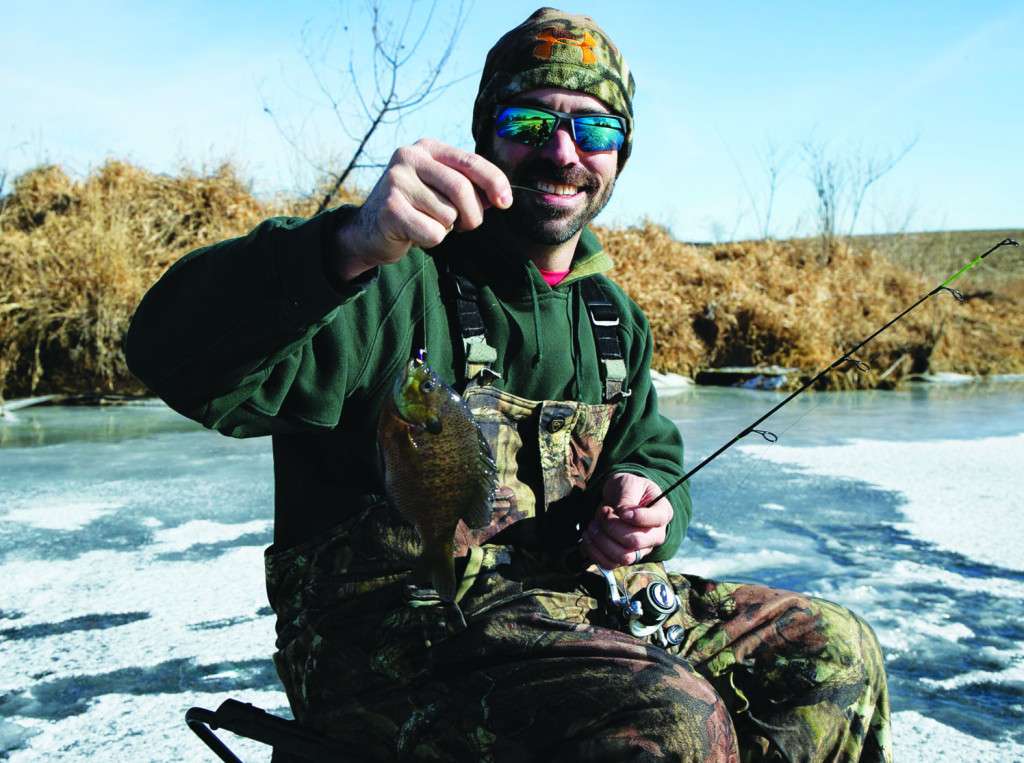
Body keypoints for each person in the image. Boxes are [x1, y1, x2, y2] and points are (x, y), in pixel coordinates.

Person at [126, 8, 891, 761]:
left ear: (621, 154)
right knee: (670, 721)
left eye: (595, 130)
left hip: (562, 608)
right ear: (485, 135)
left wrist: (649, 500)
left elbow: (651, 449)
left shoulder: (611, 318)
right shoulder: (390, 275)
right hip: (394, 640)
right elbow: (177, 359)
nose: (563, 152)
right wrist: (347, 244)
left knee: (835, 652)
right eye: (531, 124)